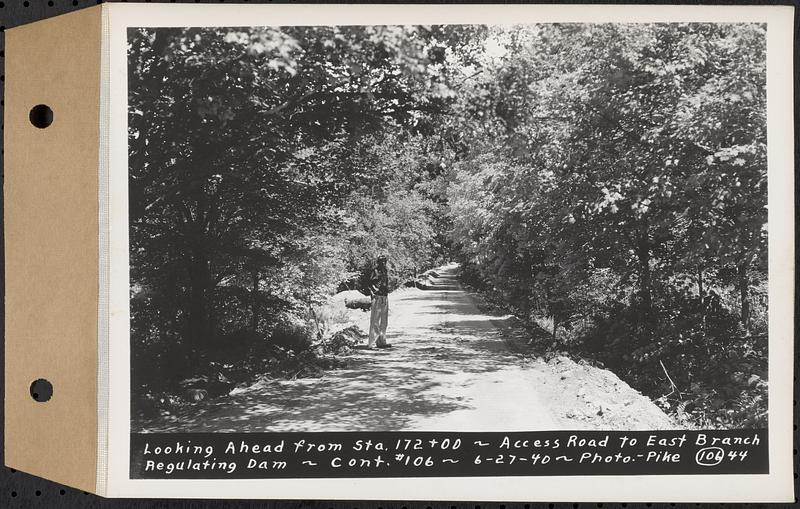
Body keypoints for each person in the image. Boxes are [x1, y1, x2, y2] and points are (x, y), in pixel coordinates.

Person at [367, 255, 391, 349]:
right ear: (378, 262)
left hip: (384, 296)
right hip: (377, 297)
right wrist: (374, 292)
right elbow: (369, 283)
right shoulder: (375, 270)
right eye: (381, 261)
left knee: (384, 321)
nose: (383, 263)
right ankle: (371, 343)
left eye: (385, 261)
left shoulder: (385, 271)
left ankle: (381, 341)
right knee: (375, 320)